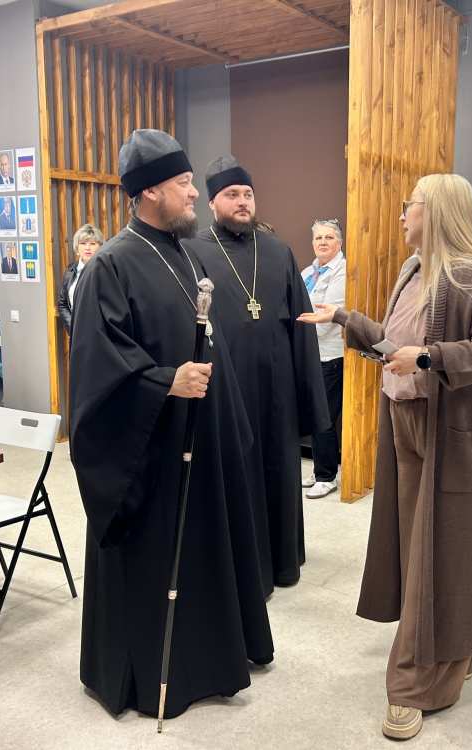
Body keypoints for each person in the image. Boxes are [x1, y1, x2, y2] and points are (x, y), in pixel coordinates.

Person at [298, 174, 472, 741]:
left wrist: (428, 358)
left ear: (436, 211)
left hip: (456, 436)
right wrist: (343, 319)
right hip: (406, 423)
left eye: (408, 206)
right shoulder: (414, 270)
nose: (401, 215)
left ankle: (419, 682)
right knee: (420, 547)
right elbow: (398, 347)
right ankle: (456, 645)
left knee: (445, 549)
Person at [68, 129, 273, 721]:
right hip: (148, 453)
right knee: (157, 560)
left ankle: (210, 662)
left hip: (200, 439)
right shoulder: (110, 265)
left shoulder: (186, 254)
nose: (193, 193)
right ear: (151, 190)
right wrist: (163, 382)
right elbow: (97, 369)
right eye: (184, 183)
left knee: (206, 549)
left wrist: (229, 427)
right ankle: (152, 676)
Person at [185, 155, 329, 590]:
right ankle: (246, 572)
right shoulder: (192, 251)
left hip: (277, 391)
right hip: (226, 390)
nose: (243, 202)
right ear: (212, 202)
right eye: (232, 195)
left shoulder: (277, 251)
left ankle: (283, 562)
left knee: (279, 470)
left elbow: (302, 325)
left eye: (248, 194)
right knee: (238, 477)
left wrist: (309, 397)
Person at [301, 219, 346, 499]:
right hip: (310, 353)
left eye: (329, 237)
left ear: (339, 243)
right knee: (314, 413)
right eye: (318, 238)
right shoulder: (309, 272)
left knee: (325, 416)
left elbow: (328, 317)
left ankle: (327, 476)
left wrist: (298, 327)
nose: (323, 242)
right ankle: (319, 469)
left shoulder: (343, 272)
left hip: (330, 355)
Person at [57, 223, 104, 335]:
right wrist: (72, 328)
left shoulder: (106, 272)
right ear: (77, 248)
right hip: (76, 335)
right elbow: (62, 304)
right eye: (83, 243)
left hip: (100, 335)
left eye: (92, 243)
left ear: (100, 247)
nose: (87, 248)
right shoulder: (70, 271)